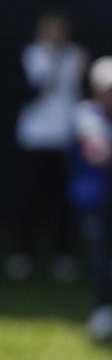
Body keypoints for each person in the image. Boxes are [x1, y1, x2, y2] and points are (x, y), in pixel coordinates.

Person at [7, 10, 87, 281]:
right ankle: (23, 254)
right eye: (49, 31)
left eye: (59, 31)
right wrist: (52, 69)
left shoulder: (78, 56)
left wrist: (79, 72)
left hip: (67, 136)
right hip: (36, 138)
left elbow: (84, 93)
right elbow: (25, 94)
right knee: (31, 196)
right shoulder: (29, 56)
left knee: (63, 199)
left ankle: (63, 254)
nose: (55, 37)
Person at [69, 57, 112, 340]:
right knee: (101, 259)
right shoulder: (85, 115)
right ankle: (104, 310)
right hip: (95, 200)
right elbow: (98, 154)